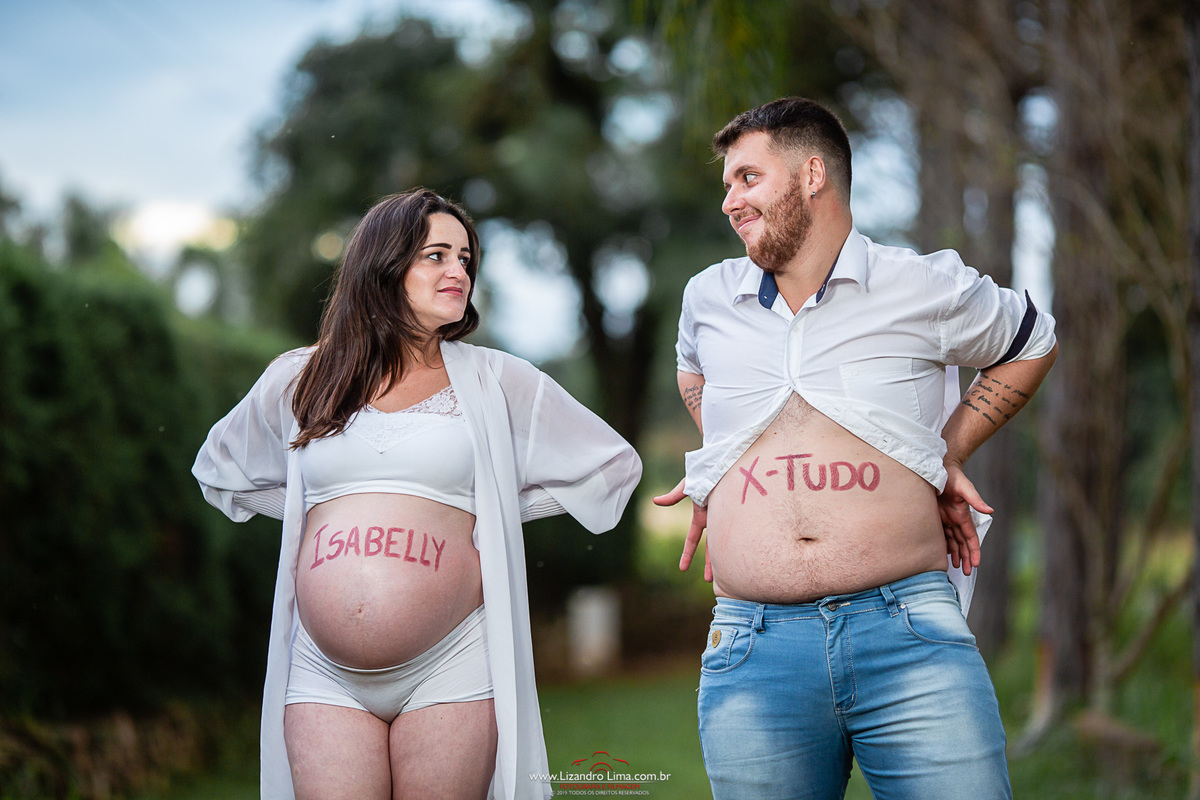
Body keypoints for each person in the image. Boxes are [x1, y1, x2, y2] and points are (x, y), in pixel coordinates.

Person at [653, 97, 1057, 800]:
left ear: (812, 175)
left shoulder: (920, 285)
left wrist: (946, 453)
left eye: (747, 178)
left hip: (908, 638)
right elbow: (694, 374)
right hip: (753, 648)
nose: (729, 202)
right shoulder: (708, 297)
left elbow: (1032, 341)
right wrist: (726, 465)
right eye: (727, 185)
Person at [193, 189, 641, 800]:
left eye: (465, 259)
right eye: (437, 255)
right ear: (384, 264)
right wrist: (310, 517)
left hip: (451, 664)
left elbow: (610, 466)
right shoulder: (302, 376)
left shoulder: (496, 379)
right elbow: (222, 468)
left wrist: (493, 514)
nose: (458, 271)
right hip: (322, 670)